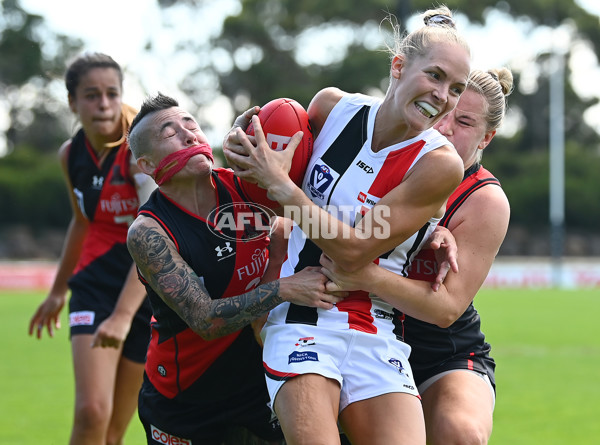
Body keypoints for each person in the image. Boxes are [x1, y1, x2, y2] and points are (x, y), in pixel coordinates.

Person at [223, 6, 470, 445]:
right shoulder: (330, 109)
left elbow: (354, 250)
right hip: (301, 318)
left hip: (376, 328)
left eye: (456, 89)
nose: (443, 96)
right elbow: (266, 171)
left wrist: (282, 186)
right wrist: (244, 144)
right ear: (398, 66)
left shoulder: (439, 163)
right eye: (434, 76)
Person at [125, 92, 346, 445]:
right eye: (170, 133)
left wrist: (425, 231)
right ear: (148, 165)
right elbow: (206, 320)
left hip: (255, 383)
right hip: (186, 400)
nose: (188, 135)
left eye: (190, 124)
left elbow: (332, 204)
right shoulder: (149, 232)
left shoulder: (247, 186)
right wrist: (286, 287)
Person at [320, 68, 513, 445]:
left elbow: (445, 310)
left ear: (486, 137)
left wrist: (366, 276)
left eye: (465, 122)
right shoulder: (384, 154)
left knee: (461, 432)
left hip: (439, 349)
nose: (445, 127)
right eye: (443, 114)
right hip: (353, 327)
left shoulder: (485, 200)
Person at [28, 52, 154, 445]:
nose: (103, 104)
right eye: (91, 95)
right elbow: (81, 222)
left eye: (112, 94)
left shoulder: (141, 150)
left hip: (147, 292)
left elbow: (154, 237)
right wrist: (56, 290)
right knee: (91, 413)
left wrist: (122, 316)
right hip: (95, 285)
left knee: (114, 432)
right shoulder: (71, 155)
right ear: (72, 102)